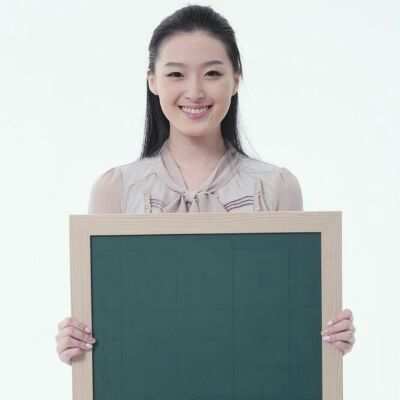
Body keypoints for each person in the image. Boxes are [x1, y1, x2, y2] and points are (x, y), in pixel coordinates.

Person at [55, 4, 356, 366]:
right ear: (152, 81)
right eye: (176, 74)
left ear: (236, 79)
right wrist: (77, 344)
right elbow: (111, 323)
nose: (195, 91)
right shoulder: (116, 189)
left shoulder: (275, 187)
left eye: (212, 73)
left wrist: (328, 336)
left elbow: (287, 318)